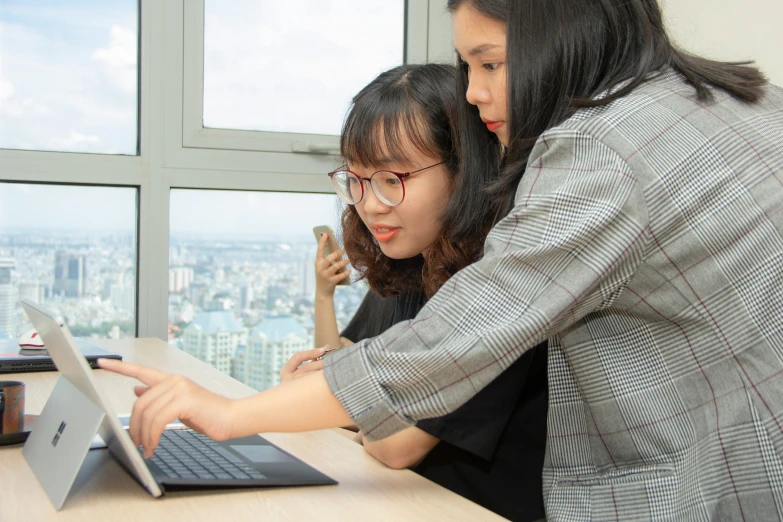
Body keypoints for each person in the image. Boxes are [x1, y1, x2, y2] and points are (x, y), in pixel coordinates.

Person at [99, 0, 783, 519]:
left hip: (709, 483)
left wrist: (230, 415)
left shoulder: (598, 151)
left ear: (561, 38)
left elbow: (446, 348)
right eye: (467, 68)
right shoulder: (748, 106)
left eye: (489, 63)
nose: (476, 93)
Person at [290, 63, 548, 521]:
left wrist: (348, 409)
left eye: (393, 180)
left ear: (463, 170)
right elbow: (340, 378)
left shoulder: (500, 285)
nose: (369, 204)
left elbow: (394, 444)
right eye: (357, 179)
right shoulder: (410, 265)